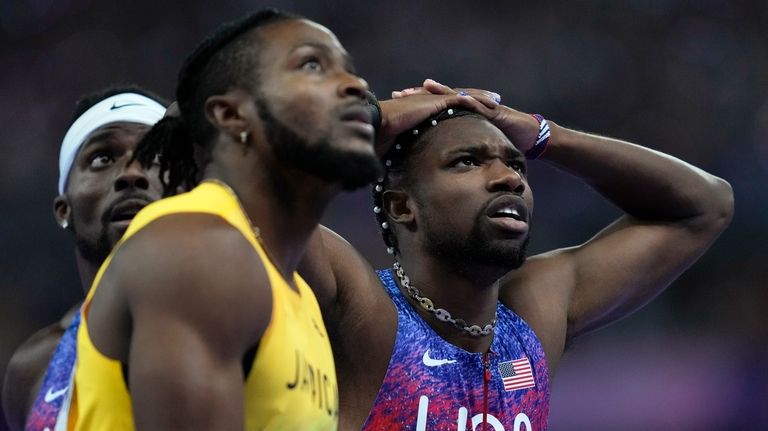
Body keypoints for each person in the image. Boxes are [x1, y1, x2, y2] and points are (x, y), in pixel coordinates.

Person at [67, 9, 481, 431]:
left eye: (351, 72)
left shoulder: (294, 289)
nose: (356, 85)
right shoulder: (196, 248)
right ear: (231, 116)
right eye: (312, 65)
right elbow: (181, 115)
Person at [297, 80, 735, 430]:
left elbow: (705, 205)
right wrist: (370, 118)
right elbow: (246, 182)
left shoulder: (533, 313)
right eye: (467, 161)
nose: (508, 178)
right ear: (401, 206)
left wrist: (544, 136)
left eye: (517, 164)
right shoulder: (357, 305)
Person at [2, 86, 167, 431]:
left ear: (186, 188)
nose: (131, 173)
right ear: (65, 209)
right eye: (102, 159)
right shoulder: (33, 368)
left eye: (155, 156)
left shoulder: (247, 312)